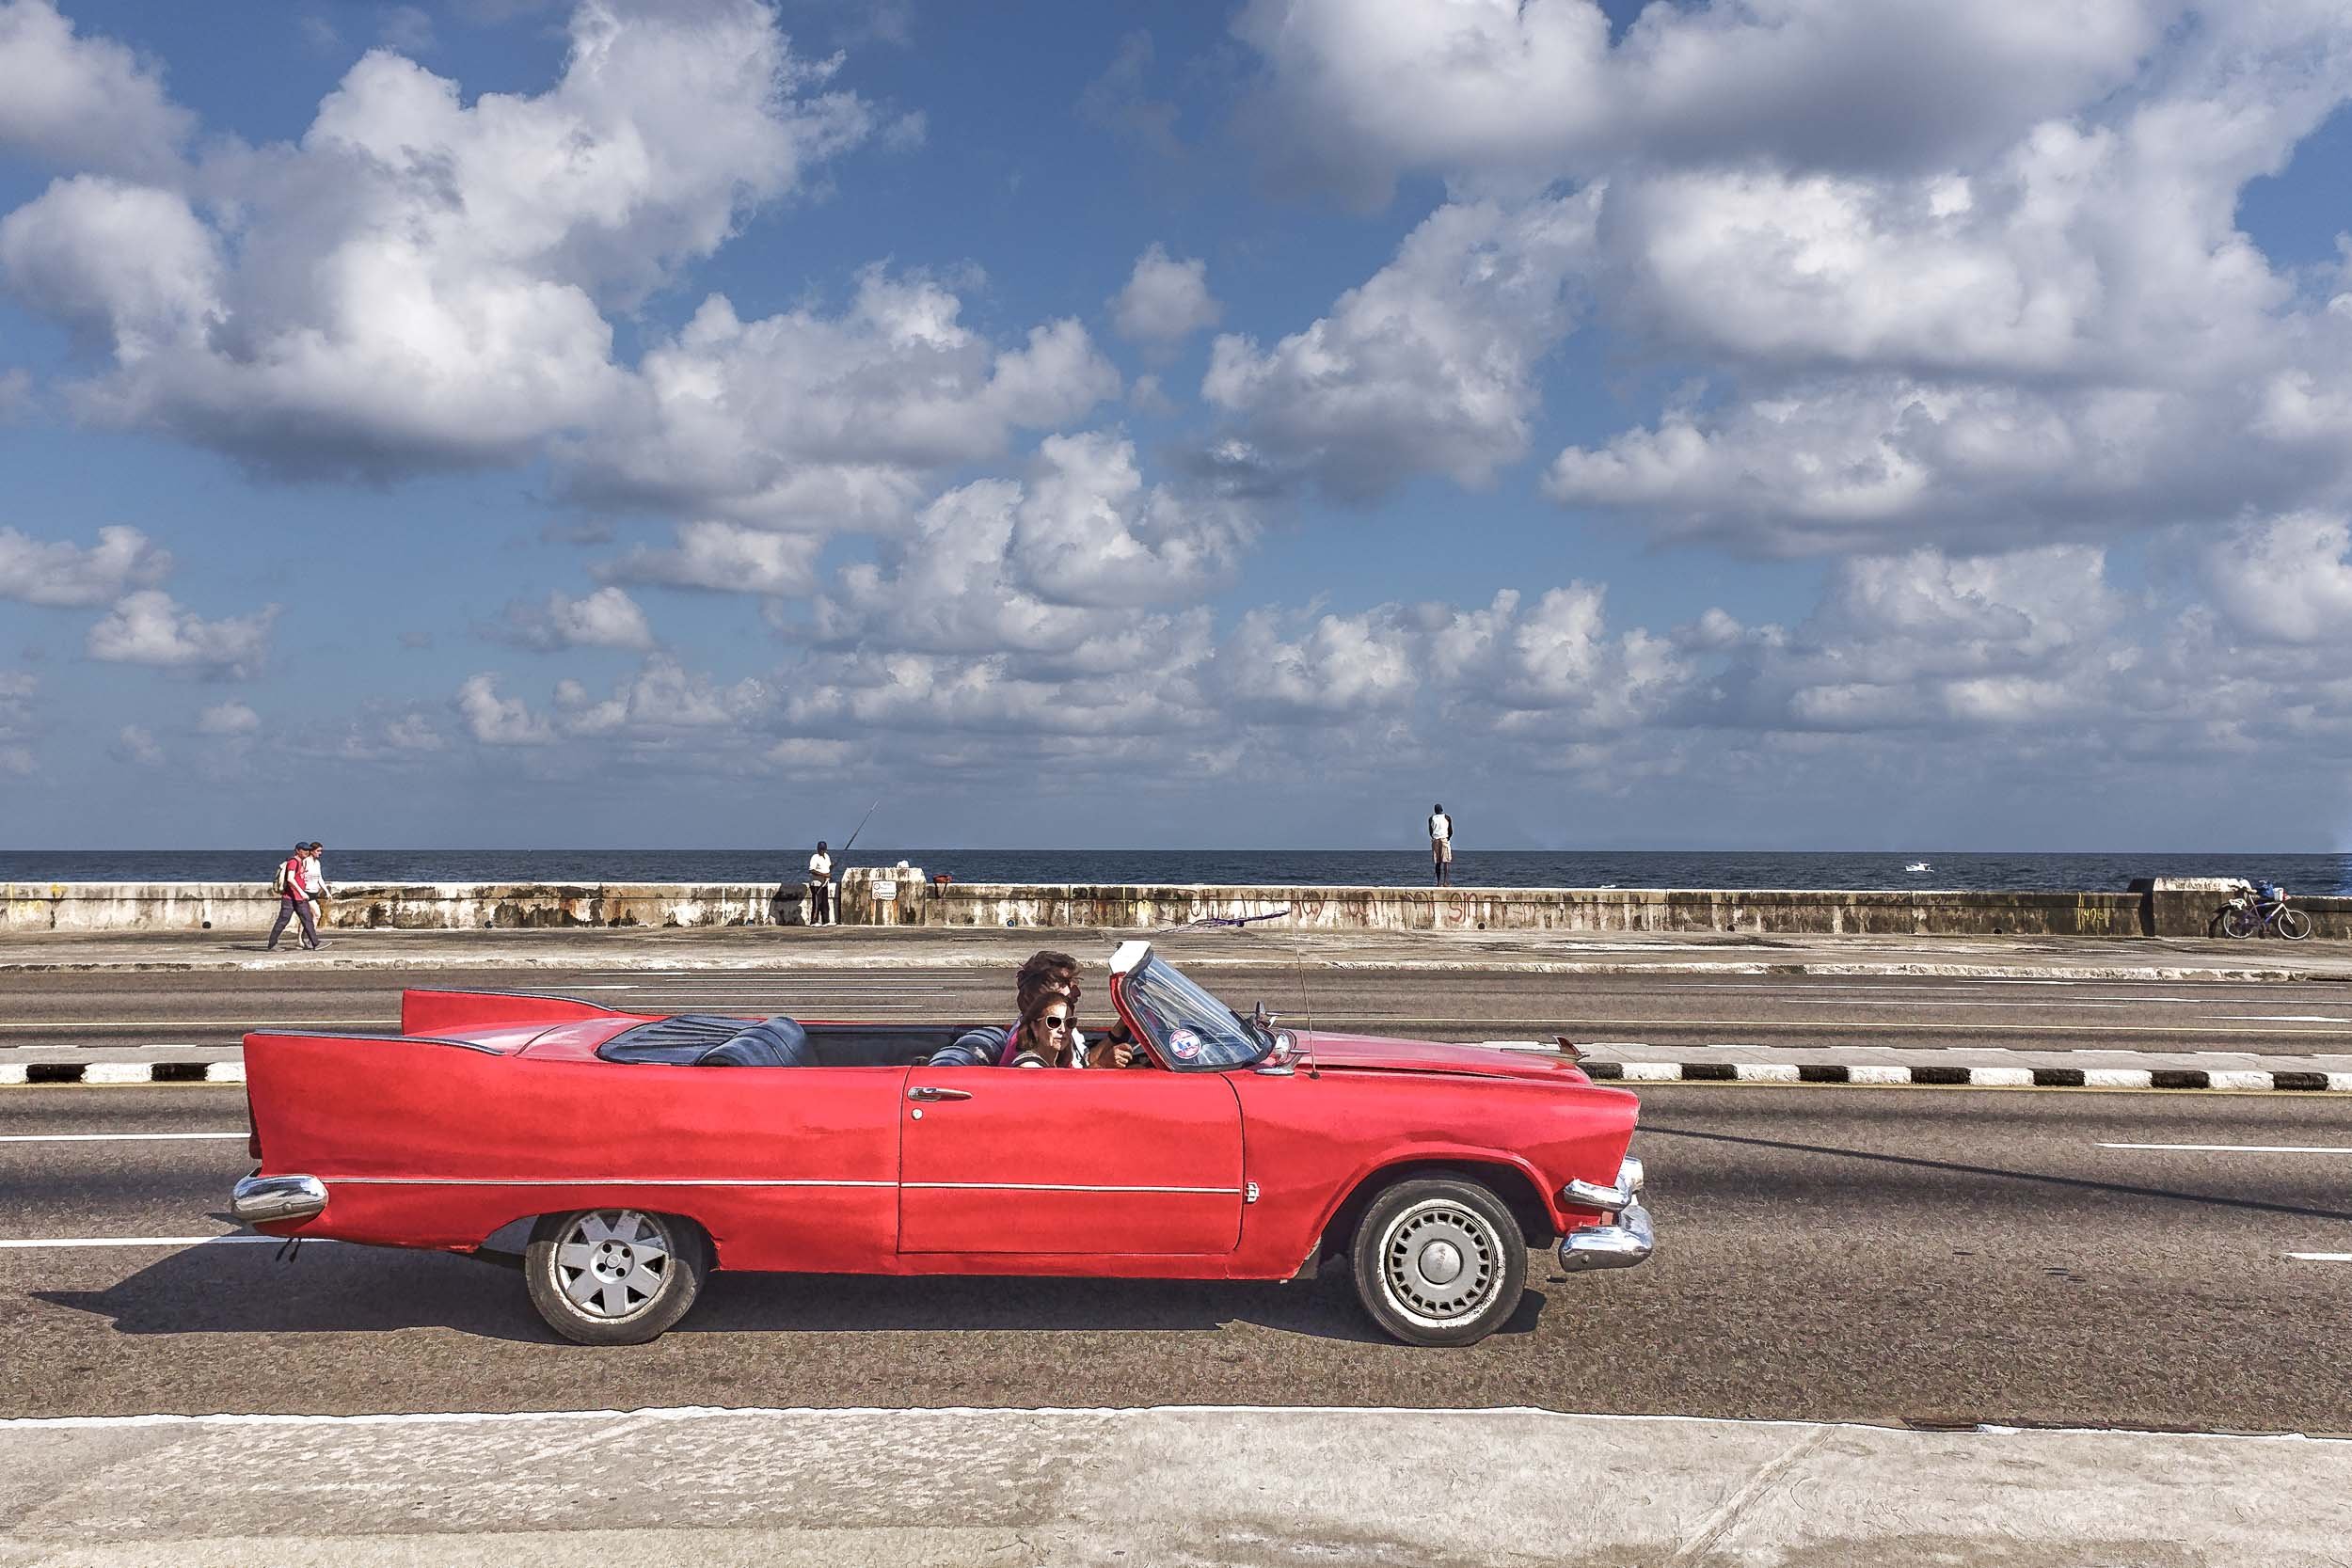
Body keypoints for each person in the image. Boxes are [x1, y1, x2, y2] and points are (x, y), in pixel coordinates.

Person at [264, 841, 324, 951]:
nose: (307, 852)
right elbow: (290, 879)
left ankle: (315, 943)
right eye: (304, 850)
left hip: (299, 898)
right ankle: (272, 944)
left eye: (308, 850)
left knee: (307, 919)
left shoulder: (301, 862)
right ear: (297, 850)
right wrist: (302, 892)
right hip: (290, 897)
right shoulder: (293, 862)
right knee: (283, 920)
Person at [807, 839, 834, 926]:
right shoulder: (815, 857)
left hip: (825, 884)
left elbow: (828, 868)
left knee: (825, 903)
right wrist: (824, 875)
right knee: (817, 903)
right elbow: (812, 870)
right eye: (820, 849)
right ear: (817, 849)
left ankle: (826, 921)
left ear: (826, 849)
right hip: (816, 884)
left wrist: (831, 868)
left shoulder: (827, 856)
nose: (821, 851)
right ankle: (813, 921)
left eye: (823, 849)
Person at [1428, 802, 1454, 887]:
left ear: (1435, 811)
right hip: (1444, 839)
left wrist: (1435, 837)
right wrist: (1447, 838)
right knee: (1446, 862)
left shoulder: (1431, 818)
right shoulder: (1447, 817)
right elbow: (1450, 831)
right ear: (1442, 810)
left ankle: (1438, 883)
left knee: (1438, 863)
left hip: (1435, 840)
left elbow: (1430, 832)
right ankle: (1446, 882)